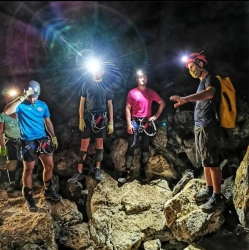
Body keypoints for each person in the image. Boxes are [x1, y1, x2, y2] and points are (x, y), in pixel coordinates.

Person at [170, 51, 224, 213]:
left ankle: (217, 195)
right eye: (189, 69)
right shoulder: (201, 81)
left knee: (212, 161)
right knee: (205, 159)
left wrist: (186, 98)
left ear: (201, 64)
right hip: (200, 125)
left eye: (193, 66)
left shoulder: (210, 79)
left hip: (208, 125)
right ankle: (209, 189)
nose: (191, 70)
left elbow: (209, 94)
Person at [4, 80, 61, 211]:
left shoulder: (43, 105)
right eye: (30, 97)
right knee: (29, 169)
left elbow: (48, 122)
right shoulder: (21, 105)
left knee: (49, 165)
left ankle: (48, 190)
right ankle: (29, 197)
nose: (32, 99)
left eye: (34, 96)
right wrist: (23, 96)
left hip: (42, 139)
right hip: (28, 141)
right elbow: (7, 111)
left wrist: (53, 136)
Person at [68, 62, 114, 183]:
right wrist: (81, 119)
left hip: (101, 119)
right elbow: (82, 103)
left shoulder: (107, 85)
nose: (96, 73)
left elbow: (109, 104)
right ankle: (79, 172)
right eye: (94, 70)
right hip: (89, 118)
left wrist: (111, 122)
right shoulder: (86, 84)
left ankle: (97, 169)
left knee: (100, 145)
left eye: (99, 71)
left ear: (102, 72)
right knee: (83, 146)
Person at [118, 69, 165, 184]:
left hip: (146, 122)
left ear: (146, 79)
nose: (142, 79)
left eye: (144, 77)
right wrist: (129, 123)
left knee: (145, 147)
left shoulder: (151, 92)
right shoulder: (132, 92)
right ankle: (127, 171)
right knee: (132, 145)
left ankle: (142, 170)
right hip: (135, 121)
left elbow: (162, 103)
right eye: (140, 77)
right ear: (137, 79)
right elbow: (128, 108)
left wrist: (156, 116)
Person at [0, 107, 22, 193]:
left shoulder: (21, 113)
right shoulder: (3, 115)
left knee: (30, 158)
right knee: (12, 161)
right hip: (11, 140)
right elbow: (0, 131)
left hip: (23, 140)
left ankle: (33, 179)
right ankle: (12, 183)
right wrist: (2, 147)